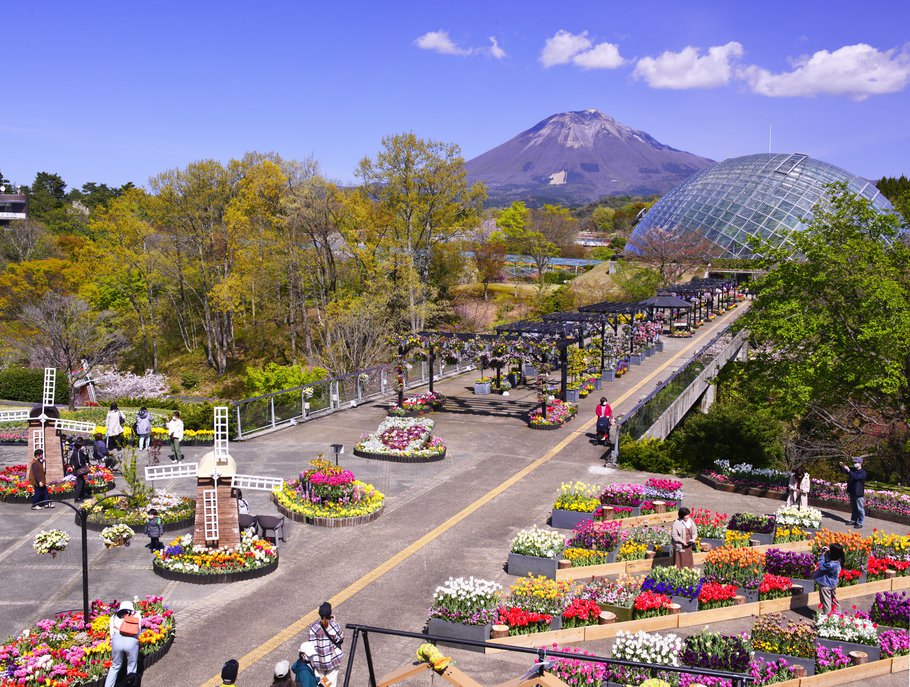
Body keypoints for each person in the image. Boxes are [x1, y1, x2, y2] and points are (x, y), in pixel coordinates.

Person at [104, 600, 142, 687]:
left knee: (115, 666)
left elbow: (112, 633)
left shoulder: (113, 617)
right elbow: (138, 631)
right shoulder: (137, 615)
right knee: (131, 667)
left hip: (117, 641)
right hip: (132, 641)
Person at [308, 602, 343, 687]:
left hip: (317, 660)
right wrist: (334, 622)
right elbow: (339, 638)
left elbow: (310, 641)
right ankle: (323, 685)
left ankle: (321, 685)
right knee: (330, 682)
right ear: (330, 613)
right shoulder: (334, 625)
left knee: (319, 680)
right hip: (332, 660)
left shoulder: (313, 627)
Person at [814, 543, 844, 615]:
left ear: (833, 553)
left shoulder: (830, 564)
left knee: (826, 601)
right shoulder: (839, 560)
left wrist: (823, 555)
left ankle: (828, 617)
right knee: (833, 599)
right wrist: (828, 553)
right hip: (833, 583)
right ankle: (838, 614)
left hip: (825, 585)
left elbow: (821, 566)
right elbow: (832, 559)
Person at [840, 460, 867, 528]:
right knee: (854, 507)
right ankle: (853, 520)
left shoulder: (863, 473)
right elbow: (844, 471)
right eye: (854, 462)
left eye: (856, 462)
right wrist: (842, 466)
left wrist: (849, 470)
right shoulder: (853, 470)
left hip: (858, 493)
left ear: (860, 463)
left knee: (860, 509)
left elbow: (856, 477)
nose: (855, 464)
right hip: (852, 491)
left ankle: (860, 523)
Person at [69, 437, 91, 502]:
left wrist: (72, 465)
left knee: (82, 482)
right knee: (80, 484)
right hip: (79, 470)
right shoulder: (78, 452)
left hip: (77, 470)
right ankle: (77, 498)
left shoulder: (75, 451)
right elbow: (79, 462)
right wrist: (84, 466)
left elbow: (71, 460)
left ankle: (82, 495)